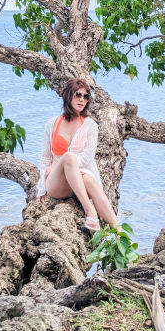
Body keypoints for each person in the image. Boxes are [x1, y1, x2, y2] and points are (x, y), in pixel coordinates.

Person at [37, 78, 119, 232]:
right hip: (57, 184)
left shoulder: (90, 125)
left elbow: (87, 157)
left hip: (77, 183)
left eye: (86, 96)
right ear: (68, 96)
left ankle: (120, 234)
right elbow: (45, 157)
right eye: (78, 94)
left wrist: (70, 165)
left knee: (88, 178)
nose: (82, 99)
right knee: (68, 157)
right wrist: (41, 189)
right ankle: (90, 210)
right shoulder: (52, 123)